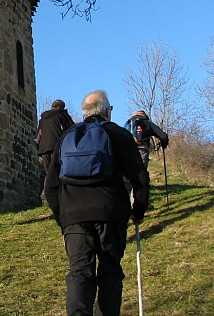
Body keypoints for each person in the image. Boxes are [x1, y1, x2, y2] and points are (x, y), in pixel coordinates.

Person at [44, 90, 150, 316]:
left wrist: (63, 221)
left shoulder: (67, 137)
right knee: (110, 271)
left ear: (85, 113)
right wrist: (138, 211)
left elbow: (50, 186)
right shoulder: (118, 134)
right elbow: (140, 177)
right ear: (107, 112)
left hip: (74, 218)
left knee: (80, 273)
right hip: (110, 213)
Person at [36, 99, 75, 172]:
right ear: (62, 107)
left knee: (49, 175)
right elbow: (72, 131)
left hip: (44, 150)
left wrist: (39, 149)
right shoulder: (62, 115)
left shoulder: (43, 119)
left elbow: (37, 137)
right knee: (60, 173)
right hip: (58, 148)